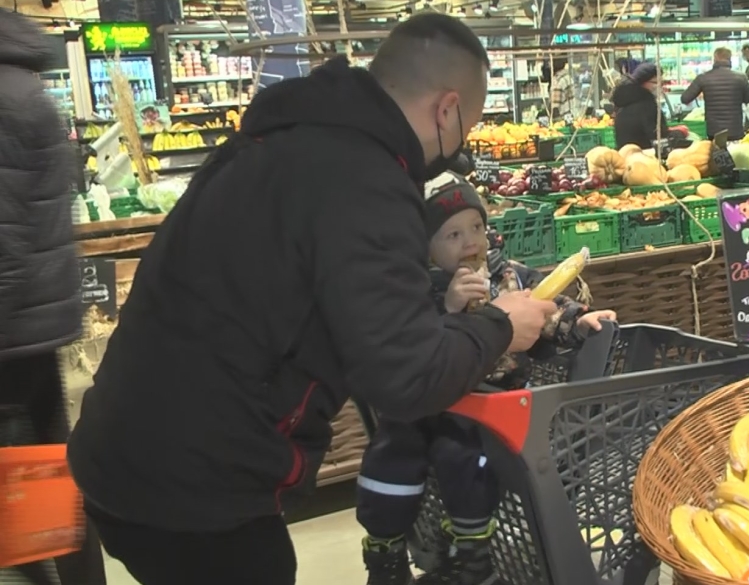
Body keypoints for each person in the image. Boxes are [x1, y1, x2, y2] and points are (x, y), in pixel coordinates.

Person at [66, 13, 558, 585]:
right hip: (199, 491)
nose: (460, 147)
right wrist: (500, 324)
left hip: (124, 453)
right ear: (447, 109)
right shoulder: (366, 180)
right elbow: (406, 379)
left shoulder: (280, 141)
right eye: (467, 128)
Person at [358, 173, 617, 585]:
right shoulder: (418, 287)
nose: (470, 242)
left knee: (463, 458)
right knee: (390, 453)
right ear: (425, 248)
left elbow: (545, 305)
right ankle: (385, 551)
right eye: (453, 234)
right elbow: (412, 341)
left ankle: (472, 553)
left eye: (476, 227)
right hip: (428, 402)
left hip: (492, 404)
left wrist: (577, 321)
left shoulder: (507, 276)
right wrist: (448, 307)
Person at [0, 9, 107, 585]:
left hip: (10, 333)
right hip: (34, 324)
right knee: (44, 480)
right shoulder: (25, 88)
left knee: (23, 490)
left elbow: (4, 239)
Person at [680, 47, 749, 140]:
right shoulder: (741, 77)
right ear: (730, 59)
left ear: (714, 58)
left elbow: (685, 98)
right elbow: (748, 99)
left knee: (717, 153)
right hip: (736, 130)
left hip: (714, 132)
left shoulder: (703, 77)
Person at [612, 63, 675, 149]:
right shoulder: (647, 105)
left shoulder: (625, 101)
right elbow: (657, 136)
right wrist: (679, 133)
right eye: (655, 82)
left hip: (625, 153)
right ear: (642, 82)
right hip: (645, 155)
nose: (659, 86)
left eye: (661, 83)